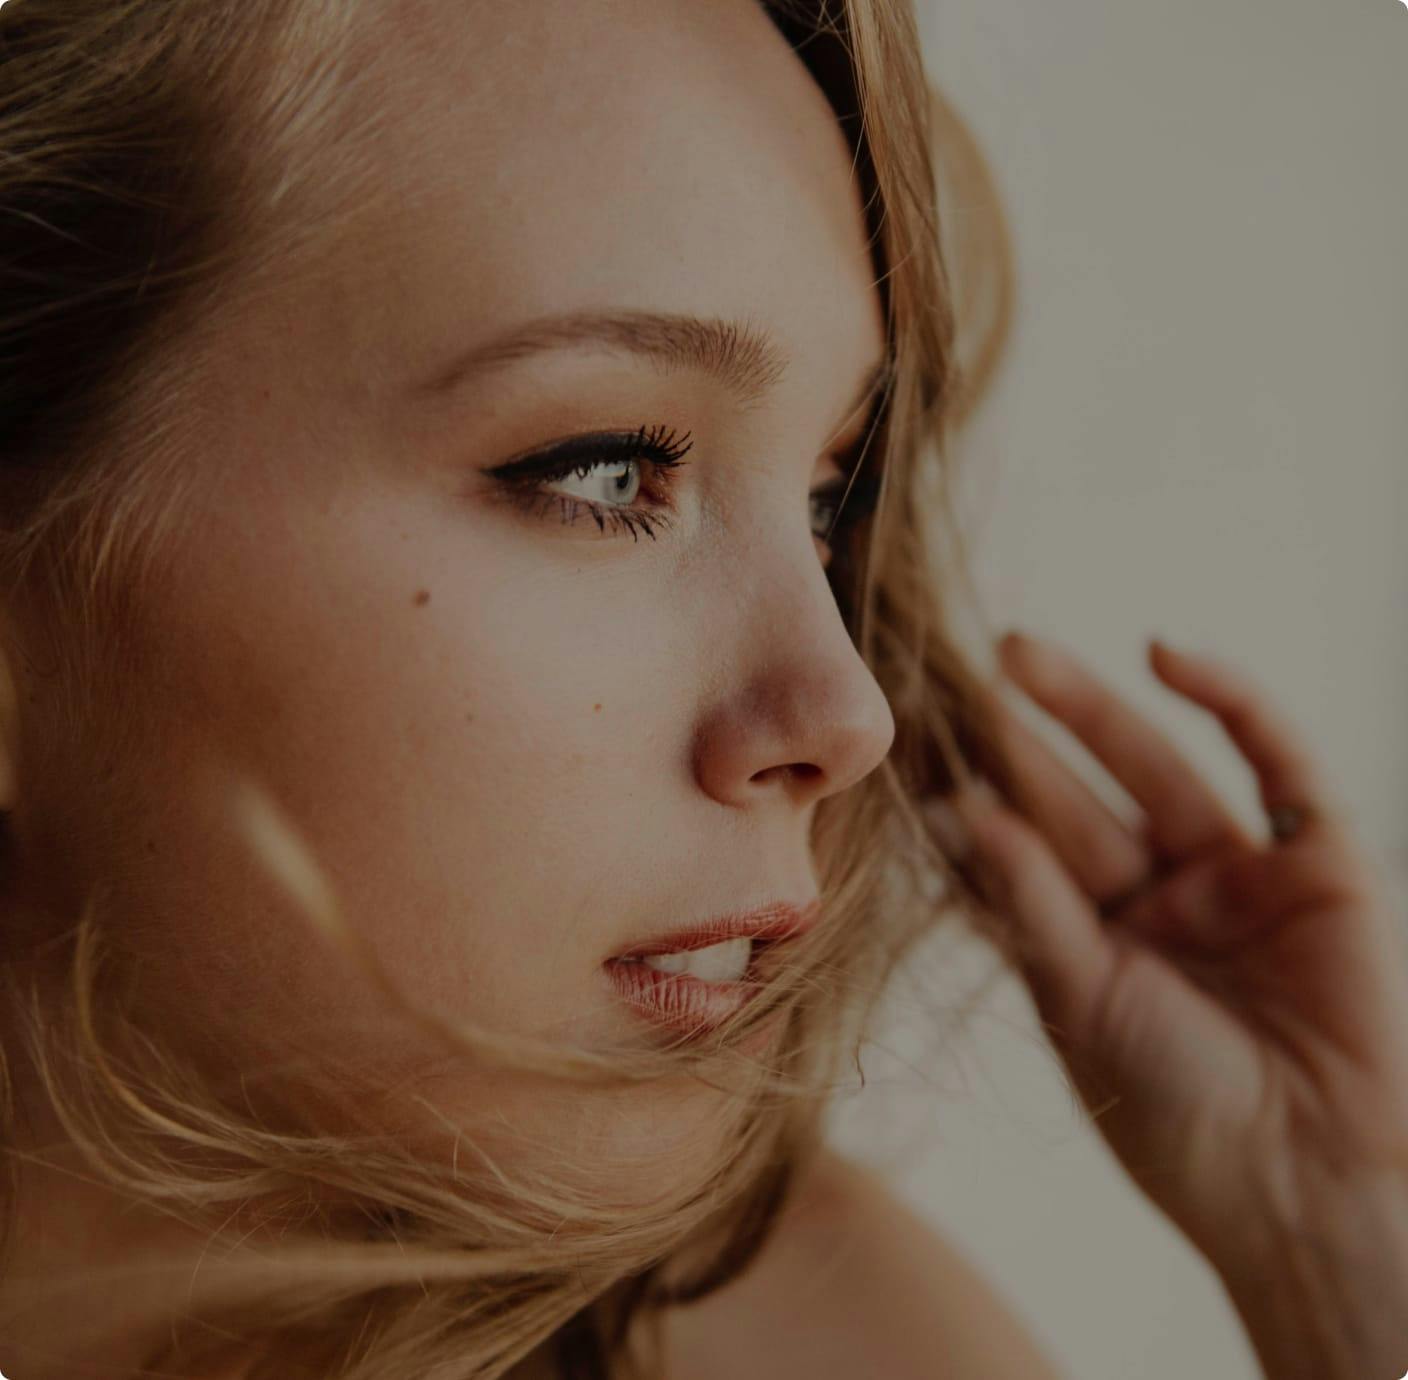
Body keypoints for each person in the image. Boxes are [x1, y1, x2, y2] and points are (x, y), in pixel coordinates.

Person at [0, 1, 1404, 1377]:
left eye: (826, 495)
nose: (850, 715)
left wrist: (1341, 1259)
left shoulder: (823, 1344)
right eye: (604, 469)